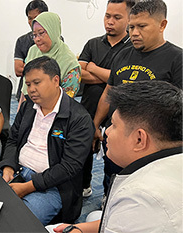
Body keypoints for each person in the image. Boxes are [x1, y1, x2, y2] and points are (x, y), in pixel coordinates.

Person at [51, 80, 182, 233]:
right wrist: (78, 229)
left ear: (139, 139)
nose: (107, 132)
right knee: (93, 217)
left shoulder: (140, 198)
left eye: (113, 125)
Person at [92, 0, 182, 197]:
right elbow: (109, 92)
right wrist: (96, 124)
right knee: (113, 186)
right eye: (131, 26)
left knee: (145, 195)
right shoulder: (122, 55)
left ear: (162, 25)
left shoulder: (177, 59)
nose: (134, 33)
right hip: (117, 138)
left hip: (150, 147)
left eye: (142, 26)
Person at [0, 56, 94, 225]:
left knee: (17, 223)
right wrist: (7, 167)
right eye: (28, 85)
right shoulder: (28, 106)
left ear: (56, 80)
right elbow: (13, 139)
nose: (31, 89)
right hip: (18, 172)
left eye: (37, 82)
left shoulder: (79, 118)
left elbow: (69, 167)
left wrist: (29, 186)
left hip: (54, 187)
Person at [78, 0, 135, 197]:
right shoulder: (93, 43)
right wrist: (110, 75)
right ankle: (84, 186)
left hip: (116, 115)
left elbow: (121, 81)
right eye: (107, 16)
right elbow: (77, 74)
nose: (110, 21)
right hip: (86, 109)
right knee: (83, 153)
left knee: (112, 159)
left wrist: (92, 68)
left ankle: (107, 197)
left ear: (129, 19)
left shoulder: (132, 49)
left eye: (117, 17)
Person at [20, 12, 81, 101]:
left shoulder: (69, 63)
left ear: (53, 31)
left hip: (56, 111)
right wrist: (20, 112)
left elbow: (66, 101)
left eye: (41, 33)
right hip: (30, 107)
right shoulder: (33, 51)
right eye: (34, 35)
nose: (37, 39)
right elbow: (24, 90)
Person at [14, 0, 48, 99]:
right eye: (30, 18)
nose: (33, 22)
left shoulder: (57, 40)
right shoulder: (22, 41)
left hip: (46, 94)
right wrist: (43, 68)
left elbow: (56, 68)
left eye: (36, 18)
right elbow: (18, 70)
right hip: (25, 93)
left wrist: (28, 65)